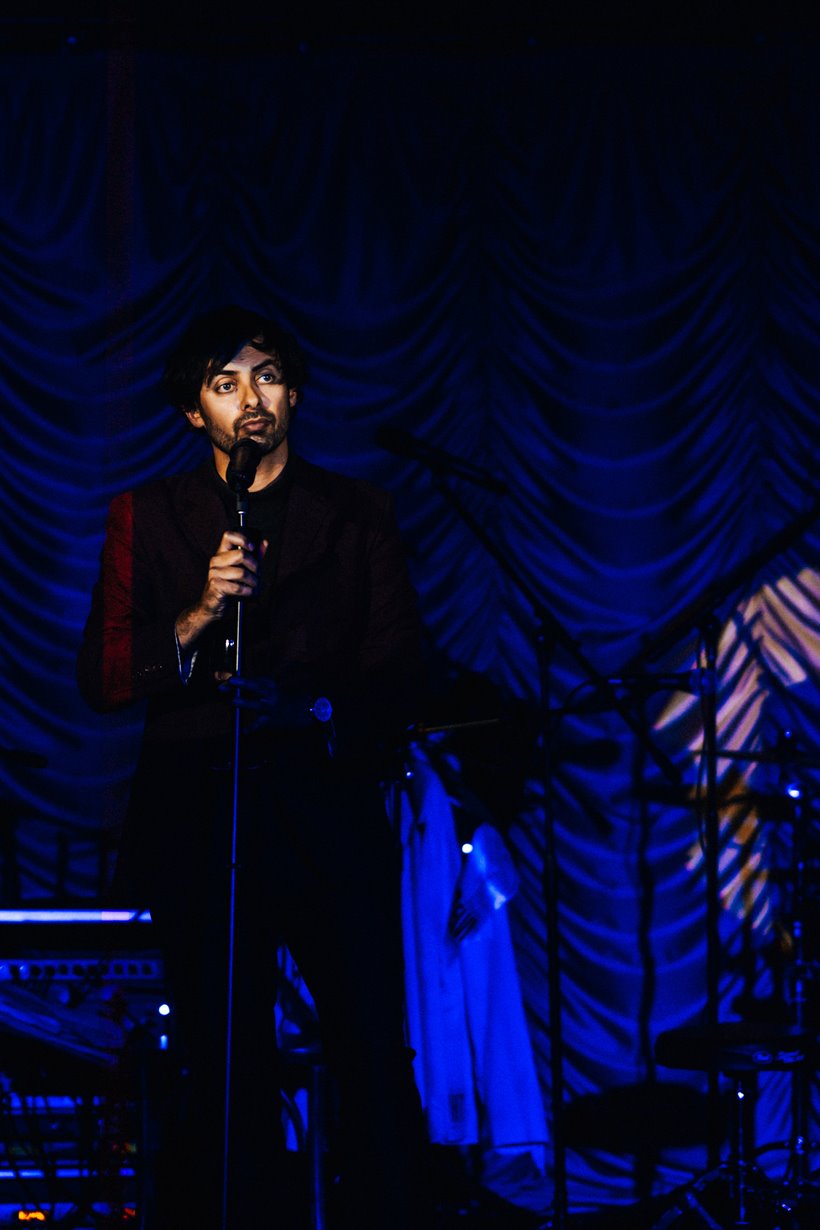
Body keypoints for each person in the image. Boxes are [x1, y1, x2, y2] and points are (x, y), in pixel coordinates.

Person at [77, 306, 429, 1229]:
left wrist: (308, 706)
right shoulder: (148, 517)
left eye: (265, 376)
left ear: (295, 392)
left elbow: (401, 672)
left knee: (370, 1048)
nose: (250, 398)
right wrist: (196, 614)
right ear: (195, 413)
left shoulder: (356, 514)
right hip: (202, 816)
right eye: (223, 384)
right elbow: (105, 676)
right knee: (224, 1058)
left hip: (326, 817)